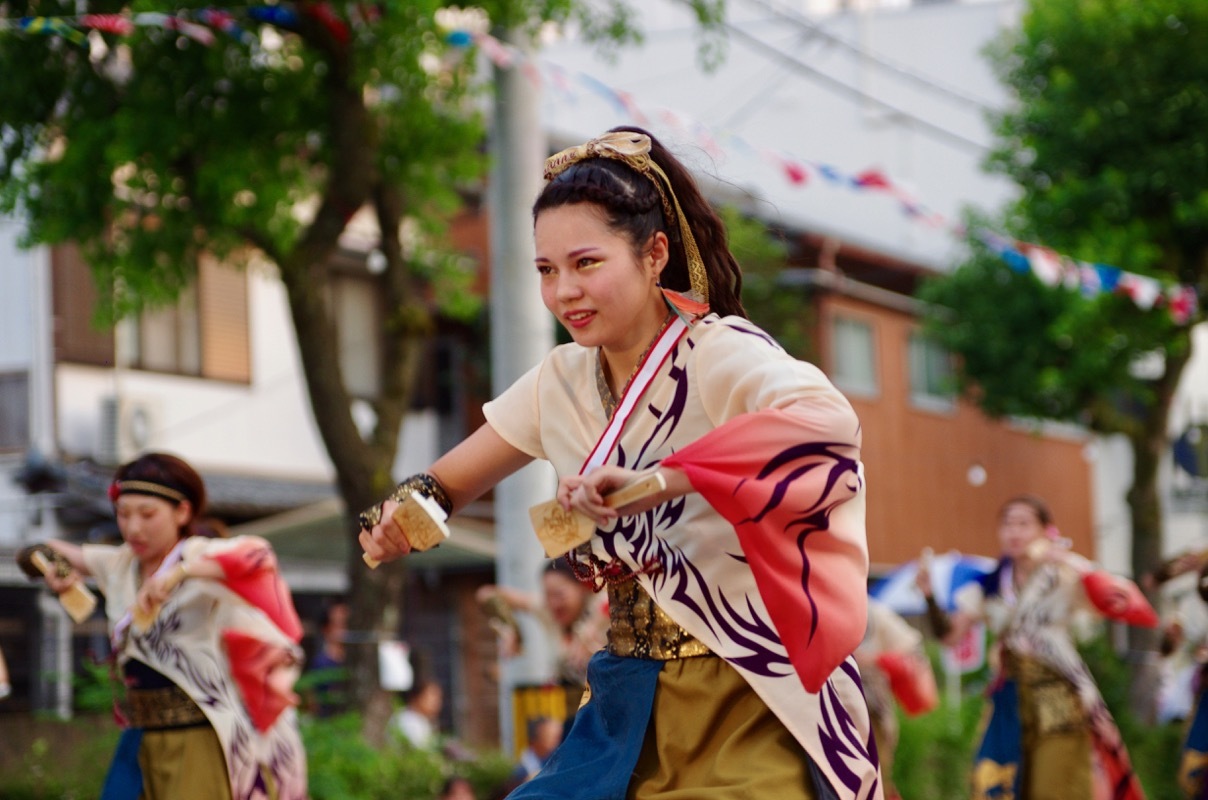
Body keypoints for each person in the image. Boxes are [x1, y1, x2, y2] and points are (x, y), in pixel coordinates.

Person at [361, 128, 878, 799]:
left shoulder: (718, 353)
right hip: (625, 697)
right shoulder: (561, 380)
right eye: (546, 271)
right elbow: (447, 485)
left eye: (585, 263)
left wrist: (663, 480)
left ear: (654, 253)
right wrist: (400, 523)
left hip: (747, 694)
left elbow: (826, 423)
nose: (563, 292)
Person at [17, 452, 307, 800]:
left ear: (182, 512)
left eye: (147, 514)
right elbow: (43, 550)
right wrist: (50, 569)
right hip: (141, 735)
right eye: (123, 514)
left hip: (199, 736)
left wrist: (179, 573)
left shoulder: (198, 556)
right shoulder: (121, 564)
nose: (133, 527)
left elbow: (259, 556)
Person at [931, 495, 1155, 800]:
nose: (1014, 532)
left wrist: (1069, 560)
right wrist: (929, 598)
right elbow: (949, 636)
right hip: (1010, 701)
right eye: (1007, 524)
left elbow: (1118, 600)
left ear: (1045, 530)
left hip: (1058, 701)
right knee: (992, 784)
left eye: (1024, 524)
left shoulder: (1063, 576)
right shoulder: (990, 586)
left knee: (1055, 790)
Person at [477, 558, 609, 709]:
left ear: (581, 587)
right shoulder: (547, 610)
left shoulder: (600, 605)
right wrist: (510, 627)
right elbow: (486, 594)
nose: (554, 603)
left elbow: (615, 599)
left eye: (560, 594)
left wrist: (593, 625)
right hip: (573, 709)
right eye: (548, 595)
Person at [854, 598, 938, 800]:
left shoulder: (870, 610)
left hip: (870, 712)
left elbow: (914, 653)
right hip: (835, 711)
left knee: (873, 781)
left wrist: (873, 660)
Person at [307, 598, 350, 717]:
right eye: (339, 624)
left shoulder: (357, 662)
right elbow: (313, 700)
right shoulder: (320, 663)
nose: (344, 630)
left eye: (346, 624)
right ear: (326, 629)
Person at [392, 677, 444, 749]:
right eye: (431, 698)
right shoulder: (407, 720)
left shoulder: (420, 719)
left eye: (438, 698)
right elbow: (420, 751)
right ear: (415, 698)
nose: (436, 703)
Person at [509, 715, 564, 783]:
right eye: (550, 736)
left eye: (558, 736)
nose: (556, 741)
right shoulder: (520, 772)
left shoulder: (559, 760)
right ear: (535, 738)